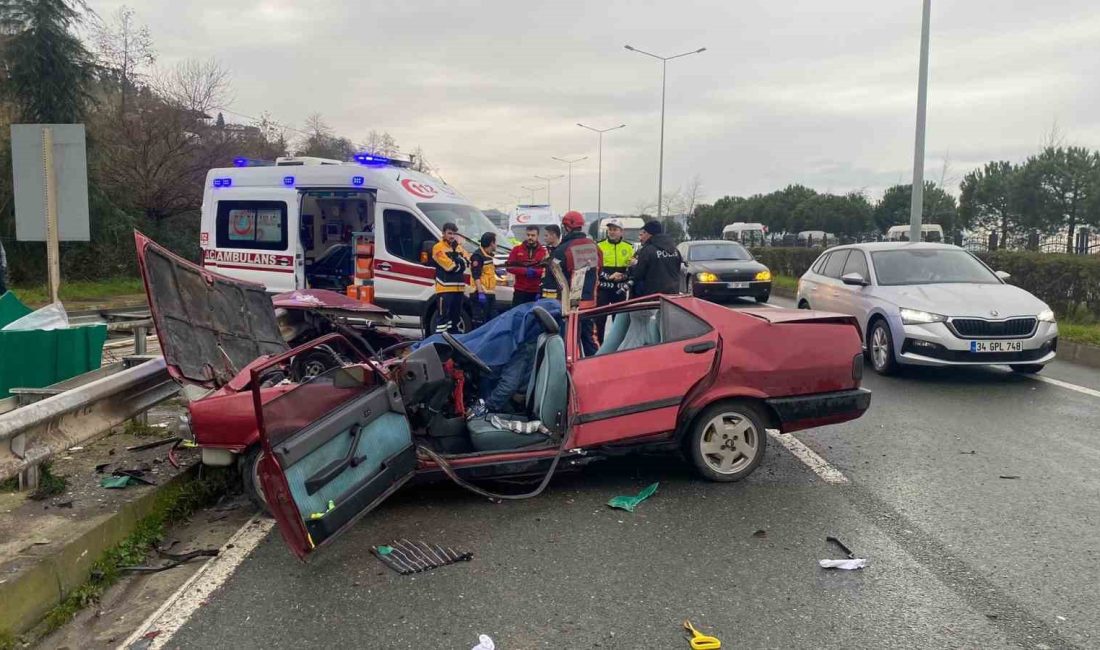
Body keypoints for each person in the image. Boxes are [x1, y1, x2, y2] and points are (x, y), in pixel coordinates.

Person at [551, 211, 602, 356]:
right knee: (591, 339)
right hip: (590, 302)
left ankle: (573, 372)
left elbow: (556, 277)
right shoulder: (594, 247)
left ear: (567, 228)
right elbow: (599, 269)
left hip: (570, 305)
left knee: (571, 341)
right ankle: (597, 368)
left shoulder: (562, 250)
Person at [620, 220, 682, 298]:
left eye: (644, 232)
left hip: (654, 296)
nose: (642, 236)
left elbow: (638, 274)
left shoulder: (648, 250)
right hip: (672, 295)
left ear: (649, 234)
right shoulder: (674, 249)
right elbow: (677, 269)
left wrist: (634, 266)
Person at [595, 218, 634, 339]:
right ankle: (599, 346)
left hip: (620, 290)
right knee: (599, 320)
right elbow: (595, 266)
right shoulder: (599, 245)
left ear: (621, 232)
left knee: (619, 322)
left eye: (615, 229)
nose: (611, 232)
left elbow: (632, 268)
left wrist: (624, 276)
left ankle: (618, 348)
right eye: (610, 229)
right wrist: (608, 276)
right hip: (603, 289)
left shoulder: (629, 247)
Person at [431, 222, 470, 333]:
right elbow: (449, 267)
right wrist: (460, 262)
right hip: (445, 289)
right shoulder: (438, 248)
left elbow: (468, 262)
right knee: (443, 319)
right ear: (443, 233)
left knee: (455, 319)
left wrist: (459, 263)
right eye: (449, 233)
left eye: (454, 233)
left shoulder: (458, 247)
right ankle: (439, 340)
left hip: (459, 288)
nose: (452, 236)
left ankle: (453, 342)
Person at [505, 225, 546, 306]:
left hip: (535, 291)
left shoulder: (543, 252)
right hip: (520, 290)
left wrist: (536, 272)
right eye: (528, 235)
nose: (530, 237)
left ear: (537, 236)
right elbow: (509, 267)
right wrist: (524, 271)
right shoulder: (516, 250)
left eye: (533, 235)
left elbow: (547, 269)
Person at [469, 232, 498, 327]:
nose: (496, 244)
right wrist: (480, 293)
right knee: (480, 322)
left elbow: (487, 272)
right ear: (491, 243)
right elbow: (476, 275)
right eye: (495, 242)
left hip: (489, 293)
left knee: (491, 321)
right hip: (480, 293)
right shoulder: (478, 256)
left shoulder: (488, 255)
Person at [540, 224, 563, 300]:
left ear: (554, 235)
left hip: (556, 289)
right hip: (547, 288)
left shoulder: (561, 251)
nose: (544, 238)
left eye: (546, 236)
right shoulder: (548, 250)